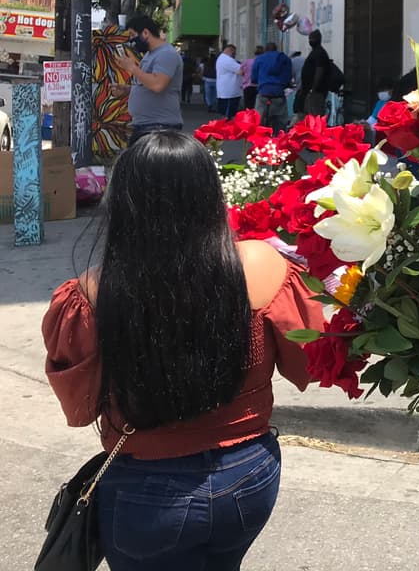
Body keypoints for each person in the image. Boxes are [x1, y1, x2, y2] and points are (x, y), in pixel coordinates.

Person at [42, 132, 322, 570]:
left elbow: (79, 408)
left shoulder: (93, 292)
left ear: (123, 203)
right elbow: (309, 363)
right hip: (248, 474)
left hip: (145, 492)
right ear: (209, 193)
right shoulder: (263, 265)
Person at [114, 16, 185, 146]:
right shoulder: (150, 54)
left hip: (159, 128)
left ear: (145, 33)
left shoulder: (166, 54)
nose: (131, 41)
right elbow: (148, 82)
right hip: (147, 126)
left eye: (133, 35)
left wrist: (132, 68)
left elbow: (158, 84)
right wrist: (129, 90)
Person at [252, 42, 294, 133]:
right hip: (278, 93)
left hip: (263, 93)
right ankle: (279, 136)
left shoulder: (259, 59)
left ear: (265, 50)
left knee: (258, 120)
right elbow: (288, 76)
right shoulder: (284, 58)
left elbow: (254, 78)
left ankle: (258, 136)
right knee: (280, 121)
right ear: (276, 49)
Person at [300, 30, 332, 117]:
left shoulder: (319, 53)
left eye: (312, 38)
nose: (310, 40)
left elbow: (319, 71)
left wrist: (313, 89)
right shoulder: (315, 52)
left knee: (315, 117)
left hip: (316, 93)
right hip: (311, 92)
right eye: (310, 38)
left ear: (318, 39)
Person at [215, 42, 243, 118]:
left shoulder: (222, 58)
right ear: (230, 51)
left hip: (226, 91)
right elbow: (241, 71)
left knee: (225, 112)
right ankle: (227, 123)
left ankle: (225, 122)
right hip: (230, 92)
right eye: (234, 53)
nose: (235, 55)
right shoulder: (227, 60)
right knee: (229, 113)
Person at [241, 46, 263, 111]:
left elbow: (240, 72)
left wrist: (246, 74)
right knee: (257, 107)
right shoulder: (263, 62)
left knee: (248, 106)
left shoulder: (247, 61)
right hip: (259, 86)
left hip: (247, 86)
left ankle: (248, 117)